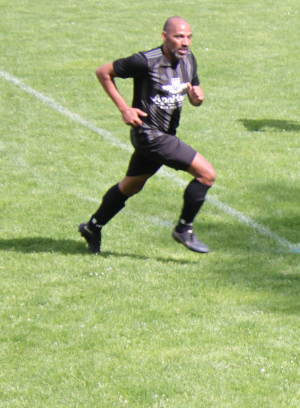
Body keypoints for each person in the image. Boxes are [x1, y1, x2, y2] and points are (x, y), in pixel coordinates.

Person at [78, 18, 217, 254]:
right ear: (164, 36)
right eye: (179, 37)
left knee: (130, 186)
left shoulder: (189, 59)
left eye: (188, 37)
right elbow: (103, 72)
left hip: (164, 134)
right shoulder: (145, 61)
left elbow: (195, 92)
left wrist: (197, 98)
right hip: (150, 135)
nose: (185, 42)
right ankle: (184, 229)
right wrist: (124, 108)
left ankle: (93, 226)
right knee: (206, 175)